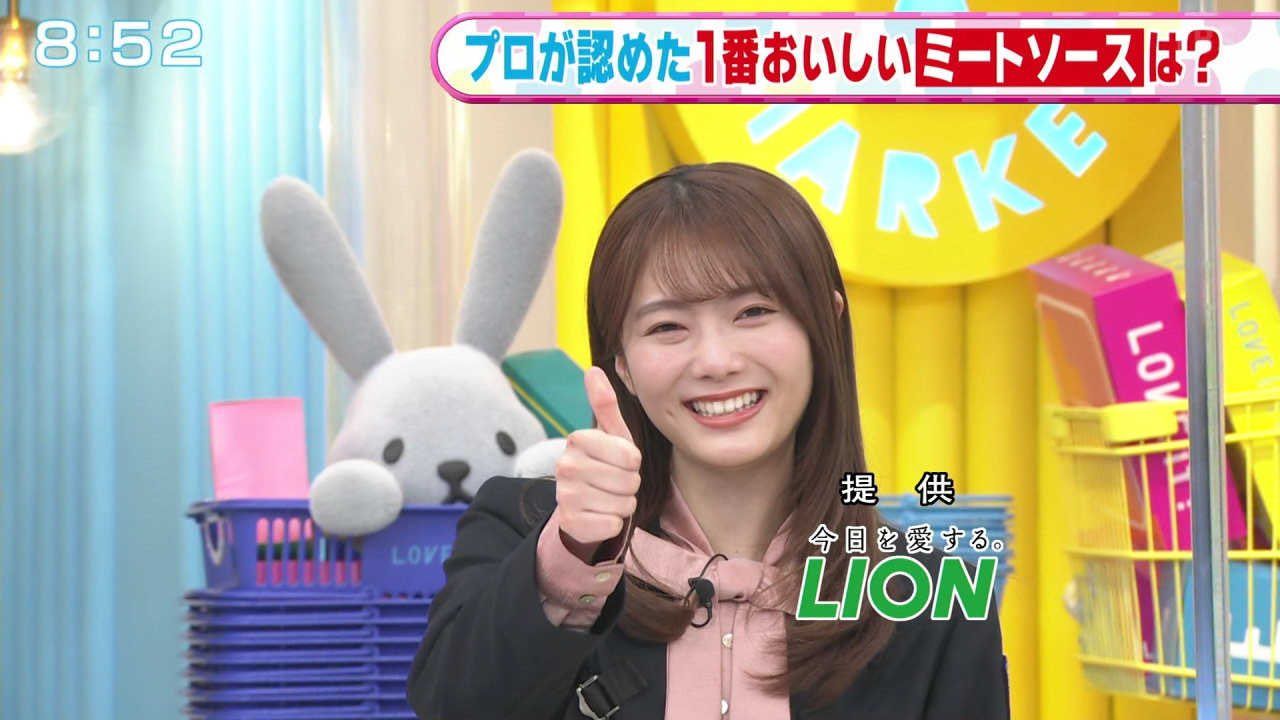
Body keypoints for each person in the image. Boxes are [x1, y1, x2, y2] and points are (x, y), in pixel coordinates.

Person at [406, 162, 1009, 719]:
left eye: (753, 312)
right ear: (622, 365)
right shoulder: (525, 529)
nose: (716, 361)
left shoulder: (934, 599)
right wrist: (573, 556)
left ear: (825, 324)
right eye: (668, 326)